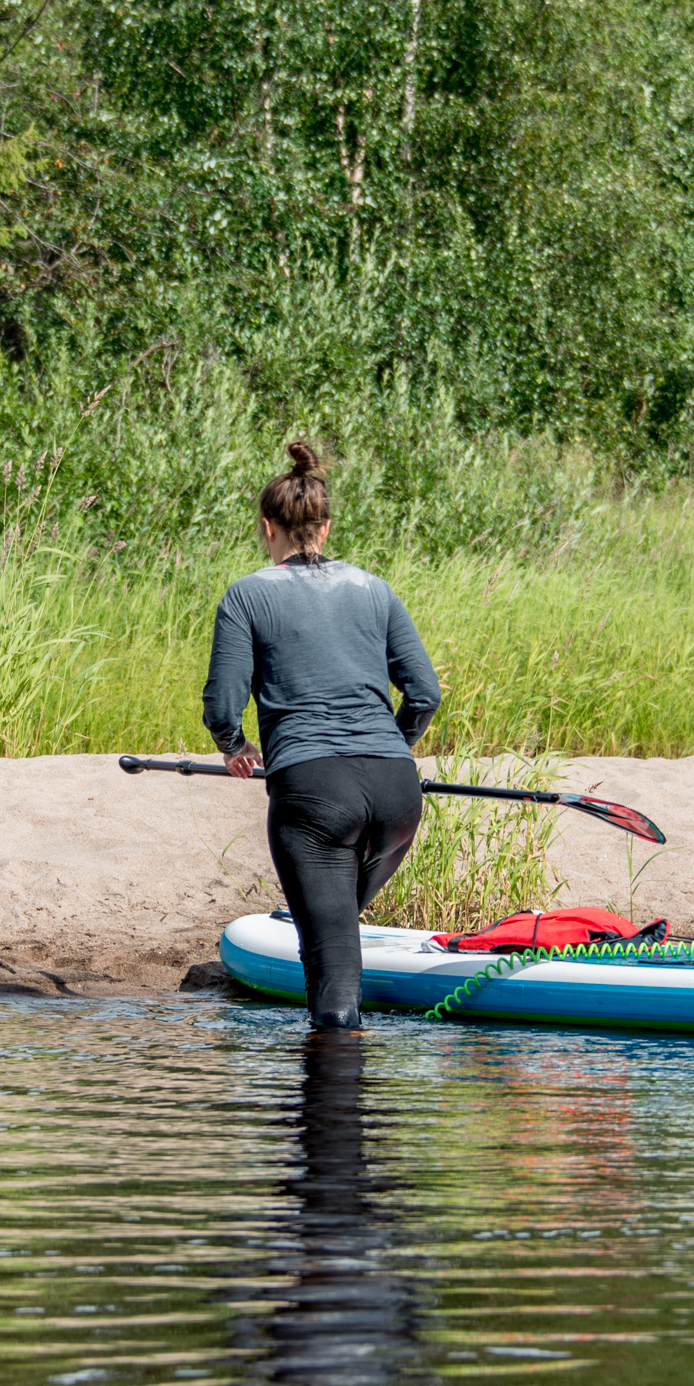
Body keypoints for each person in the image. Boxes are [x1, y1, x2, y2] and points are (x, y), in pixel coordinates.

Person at [201, 441, 441, 1029]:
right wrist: (391, 745)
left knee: (333, 977)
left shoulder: (247, 594)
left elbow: (221, 700)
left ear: (267, 528)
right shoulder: (375, 589)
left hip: (313, 790)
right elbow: (426, 694)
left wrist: (234, 747)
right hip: (396, 792)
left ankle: (331, 1107)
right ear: (326, 527)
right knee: (328, 933)